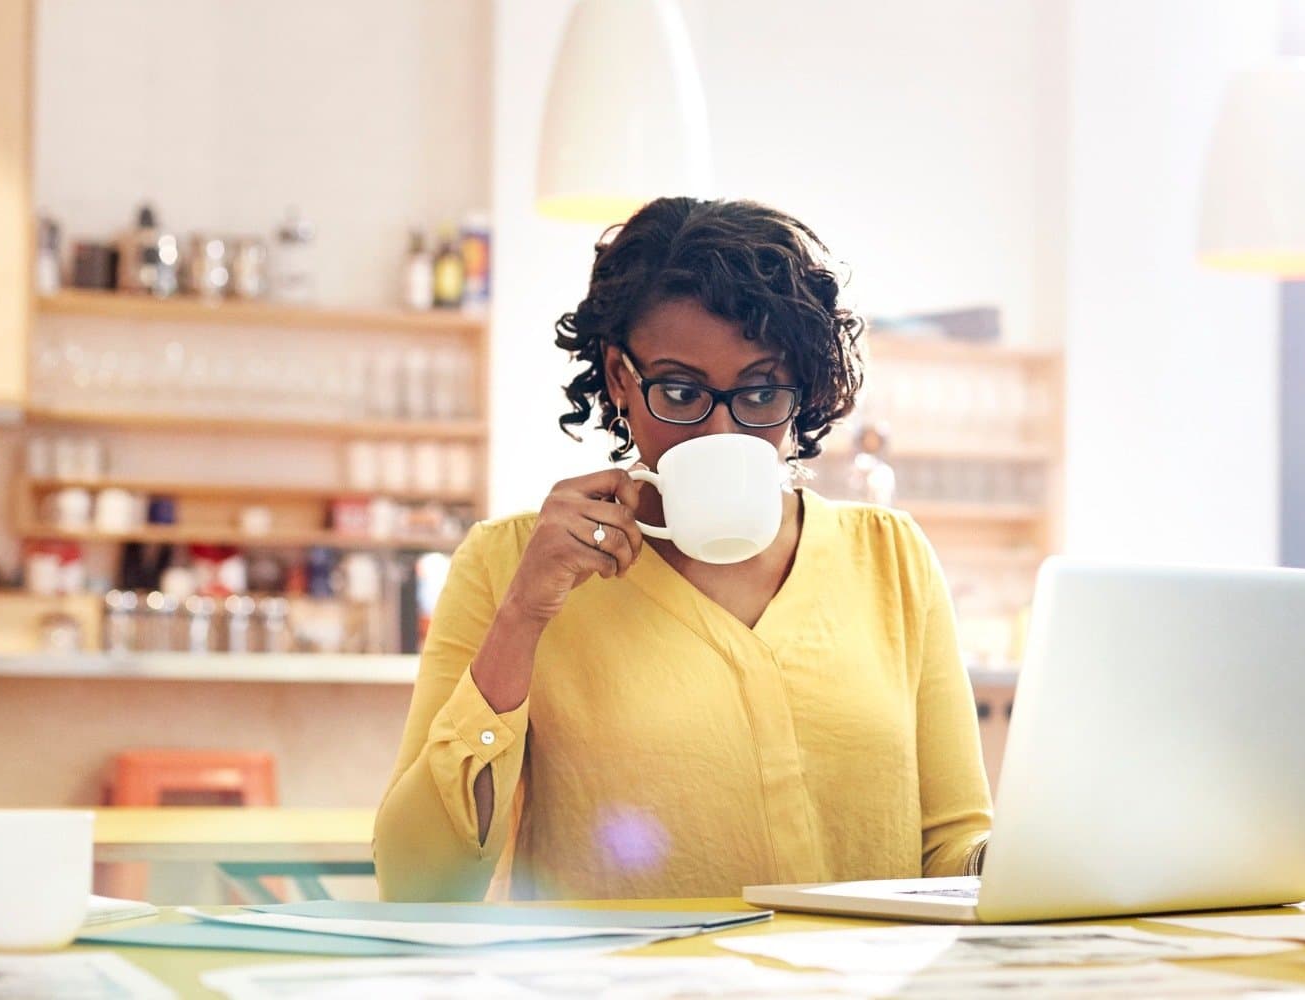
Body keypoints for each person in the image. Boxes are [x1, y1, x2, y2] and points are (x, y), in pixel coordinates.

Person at [373, 197, 991, 901]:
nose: (721, 432)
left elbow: (951, 854)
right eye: (680, 390)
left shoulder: (891, 560)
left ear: (802, 388)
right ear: (618, 378)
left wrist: (1027, 860)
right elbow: (420, 886)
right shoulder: (507, 565)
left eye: (760, 393)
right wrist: (521, 619)